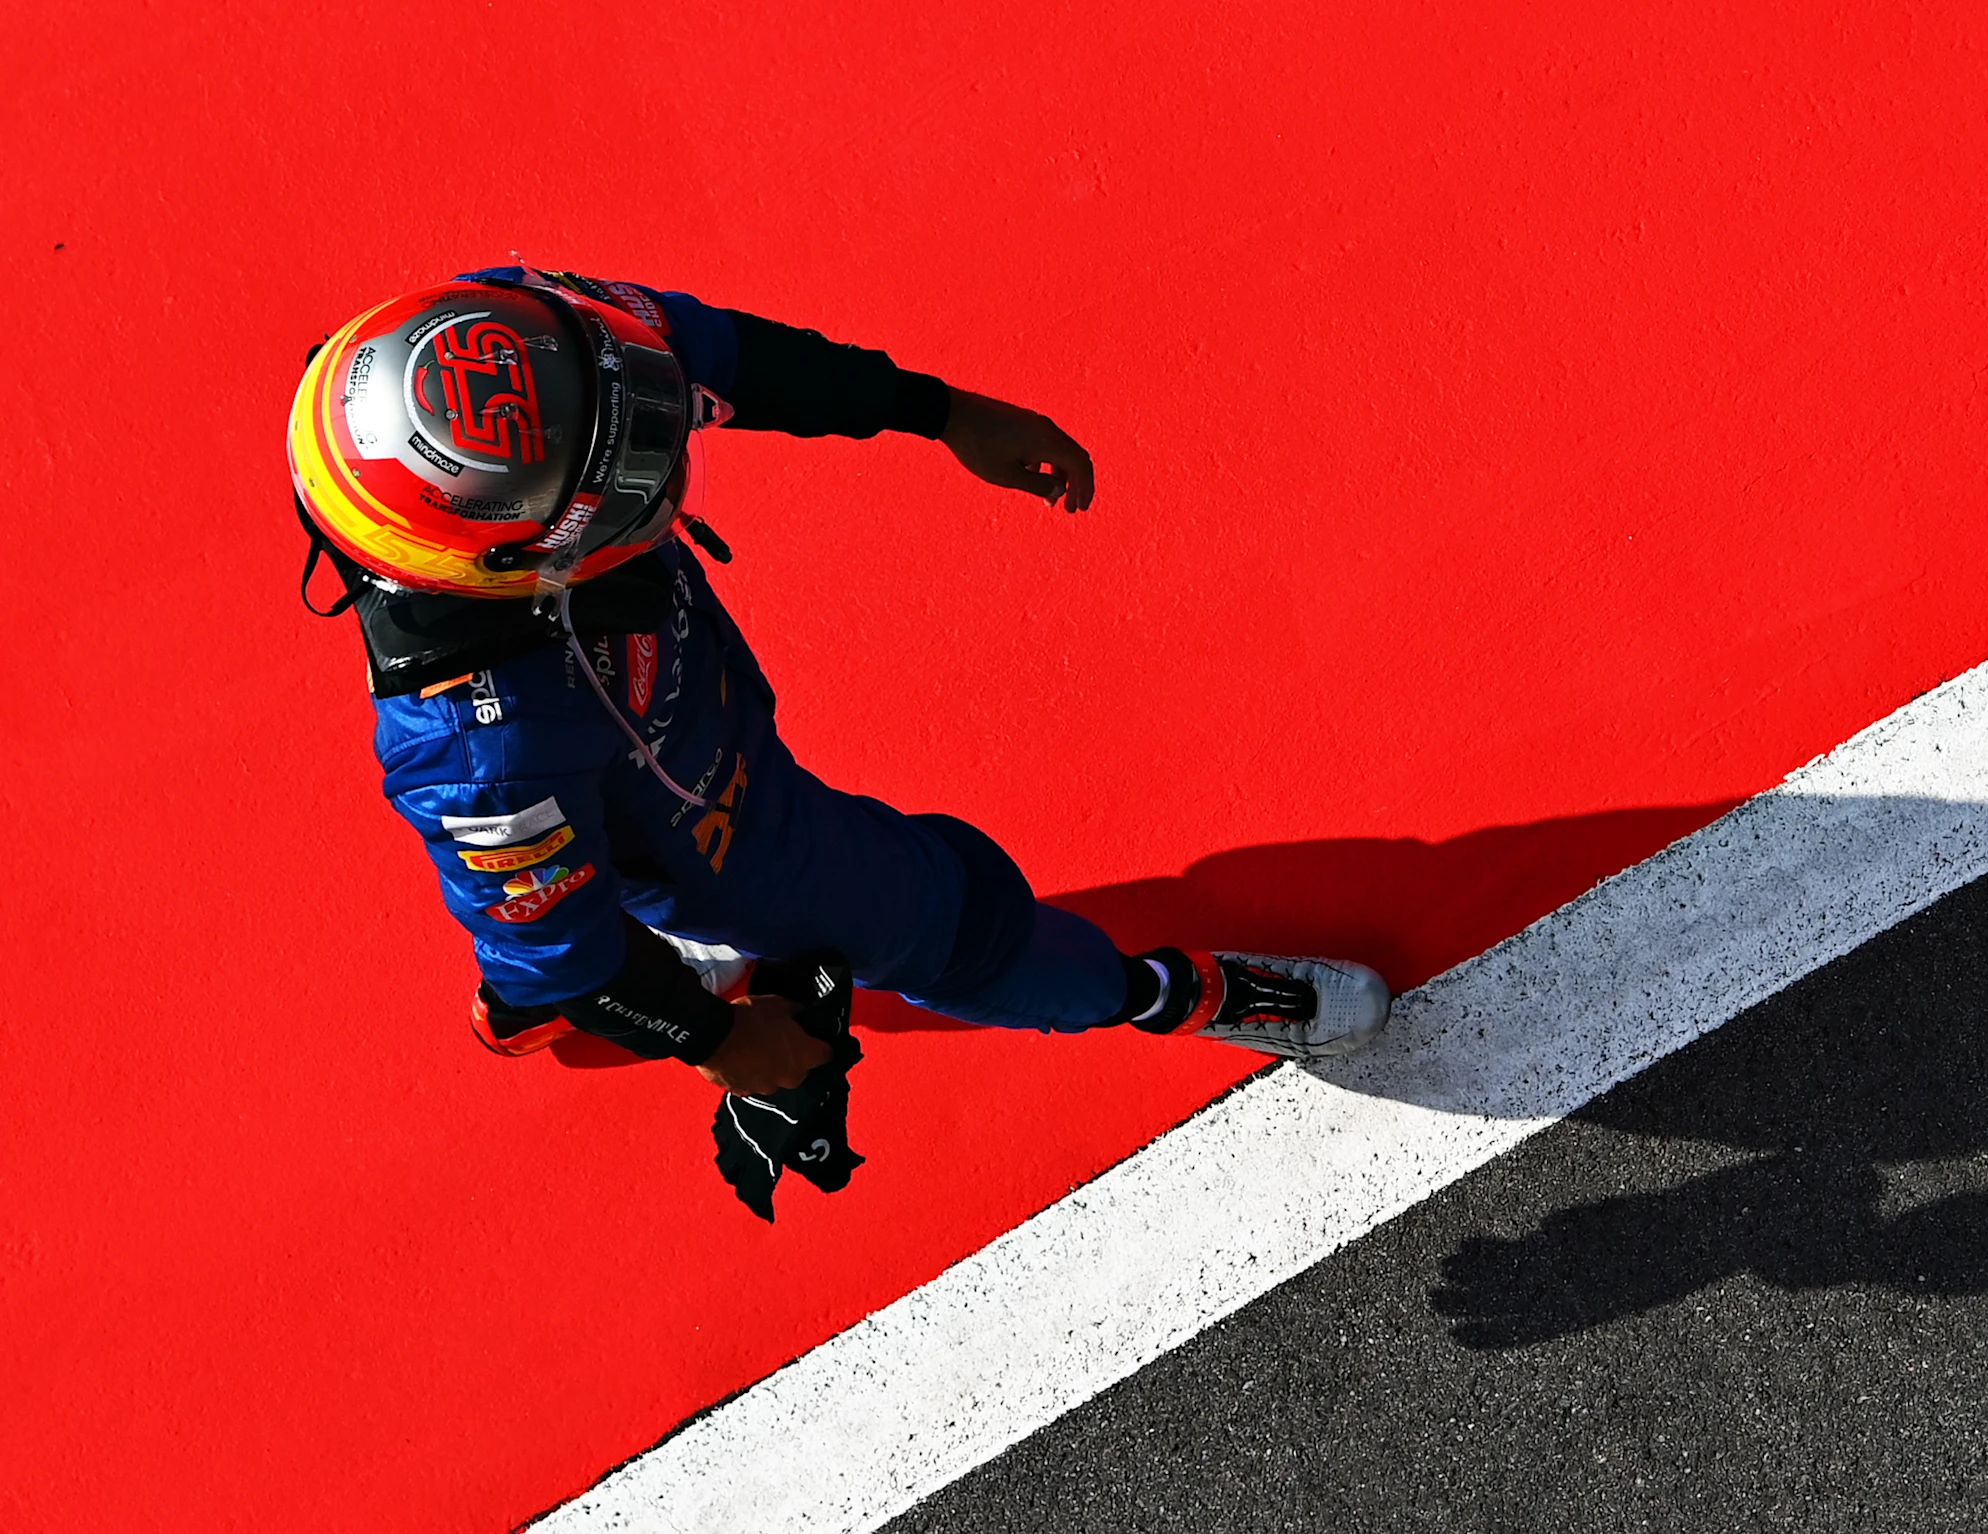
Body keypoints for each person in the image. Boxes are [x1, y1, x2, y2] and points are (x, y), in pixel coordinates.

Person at [288, 267, 1388, 1218]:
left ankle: (519, 1008)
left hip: (640, 767)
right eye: (629, 484)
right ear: (512, 560)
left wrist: (937, 411)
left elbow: (712, 353)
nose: (668, 463)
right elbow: (562, 942)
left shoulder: (523, 347)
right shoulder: (486, 757)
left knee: (540, 913)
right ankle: (1160, 995)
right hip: (730, 834)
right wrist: (726, 1049)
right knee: (949, 925)